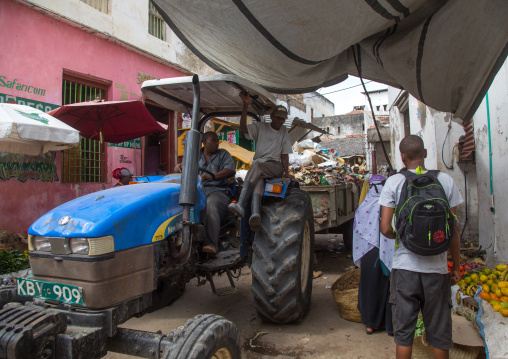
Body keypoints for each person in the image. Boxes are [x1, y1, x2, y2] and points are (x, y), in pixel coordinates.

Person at [379, 135, 463, 359]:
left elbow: (385, 228)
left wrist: (405, 237)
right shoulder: (445, 181)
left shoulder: (394, 182)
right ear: (425, 154)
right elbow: (453, 230)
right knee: (439, 334)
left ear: (402, 157)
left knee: (404, 334)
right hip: (437, 270)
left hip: (405, 268)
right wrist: (456, 266)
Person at [228, 93, 293, 231]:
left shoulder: (284, 132)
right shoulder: (261, 127)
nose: (280, 120)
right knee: (257, 178)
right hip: (260, 167)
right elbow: (243, 129)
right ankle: (256, 215)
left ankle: (241, 204)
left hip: (275, 166)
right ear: (271, 116)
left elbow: (285, 155)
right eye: (278, 117)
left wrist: (286, 173)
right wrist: (245, 105)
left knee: (256, 166)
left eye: (283, 118)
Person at [175, 131, 235, 254]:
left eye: (217, 140)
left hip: (218, 191)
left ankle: (210, 245)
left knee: (210, 206)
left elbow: (229, 170)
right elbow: (182, 167)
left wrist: (209, 177)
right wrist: (178, 167)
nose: (216, 143)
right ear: (204, 142)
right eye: (213, 140)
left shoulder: (223, 154)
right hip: (197, 190)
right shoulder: (194, 155)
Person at [353, 174, 394, 336]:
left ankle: (370, 324)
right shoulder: (391, 205)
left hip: (368, 254)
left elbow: (357, 234)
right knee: (389, 287)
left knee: (370, 286)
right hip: (389, 252)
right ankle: (389, 325)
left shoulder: (362, 207)